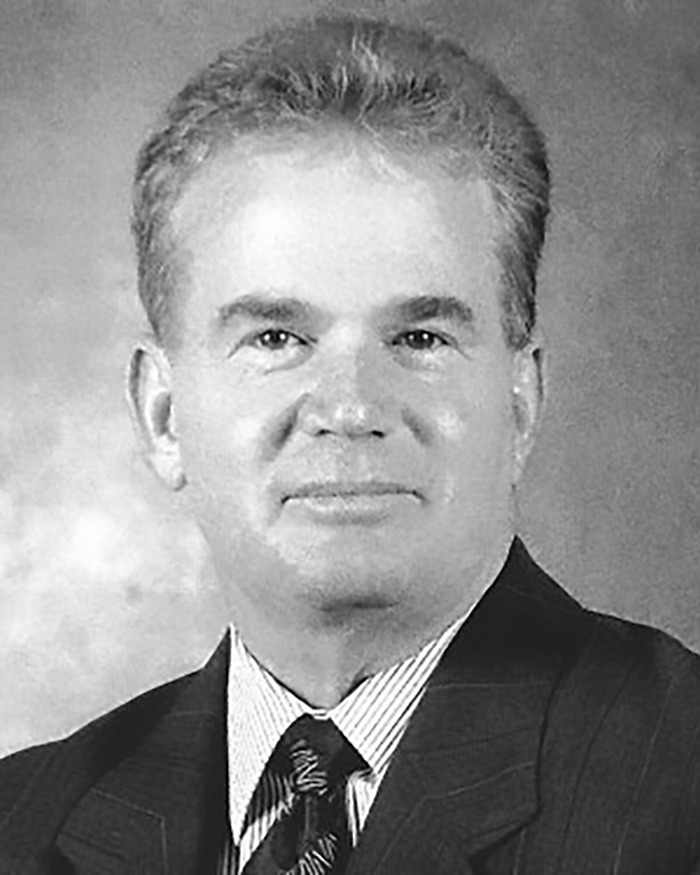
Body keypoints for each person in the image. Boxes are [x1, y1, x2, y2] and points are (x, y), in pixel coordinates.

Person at [1, 14, 698, 875]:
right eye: (276, 338)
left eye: (419, 339)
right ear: (163, 415)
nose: (350, 406)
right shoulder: (20, 823)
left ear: (521, 402)